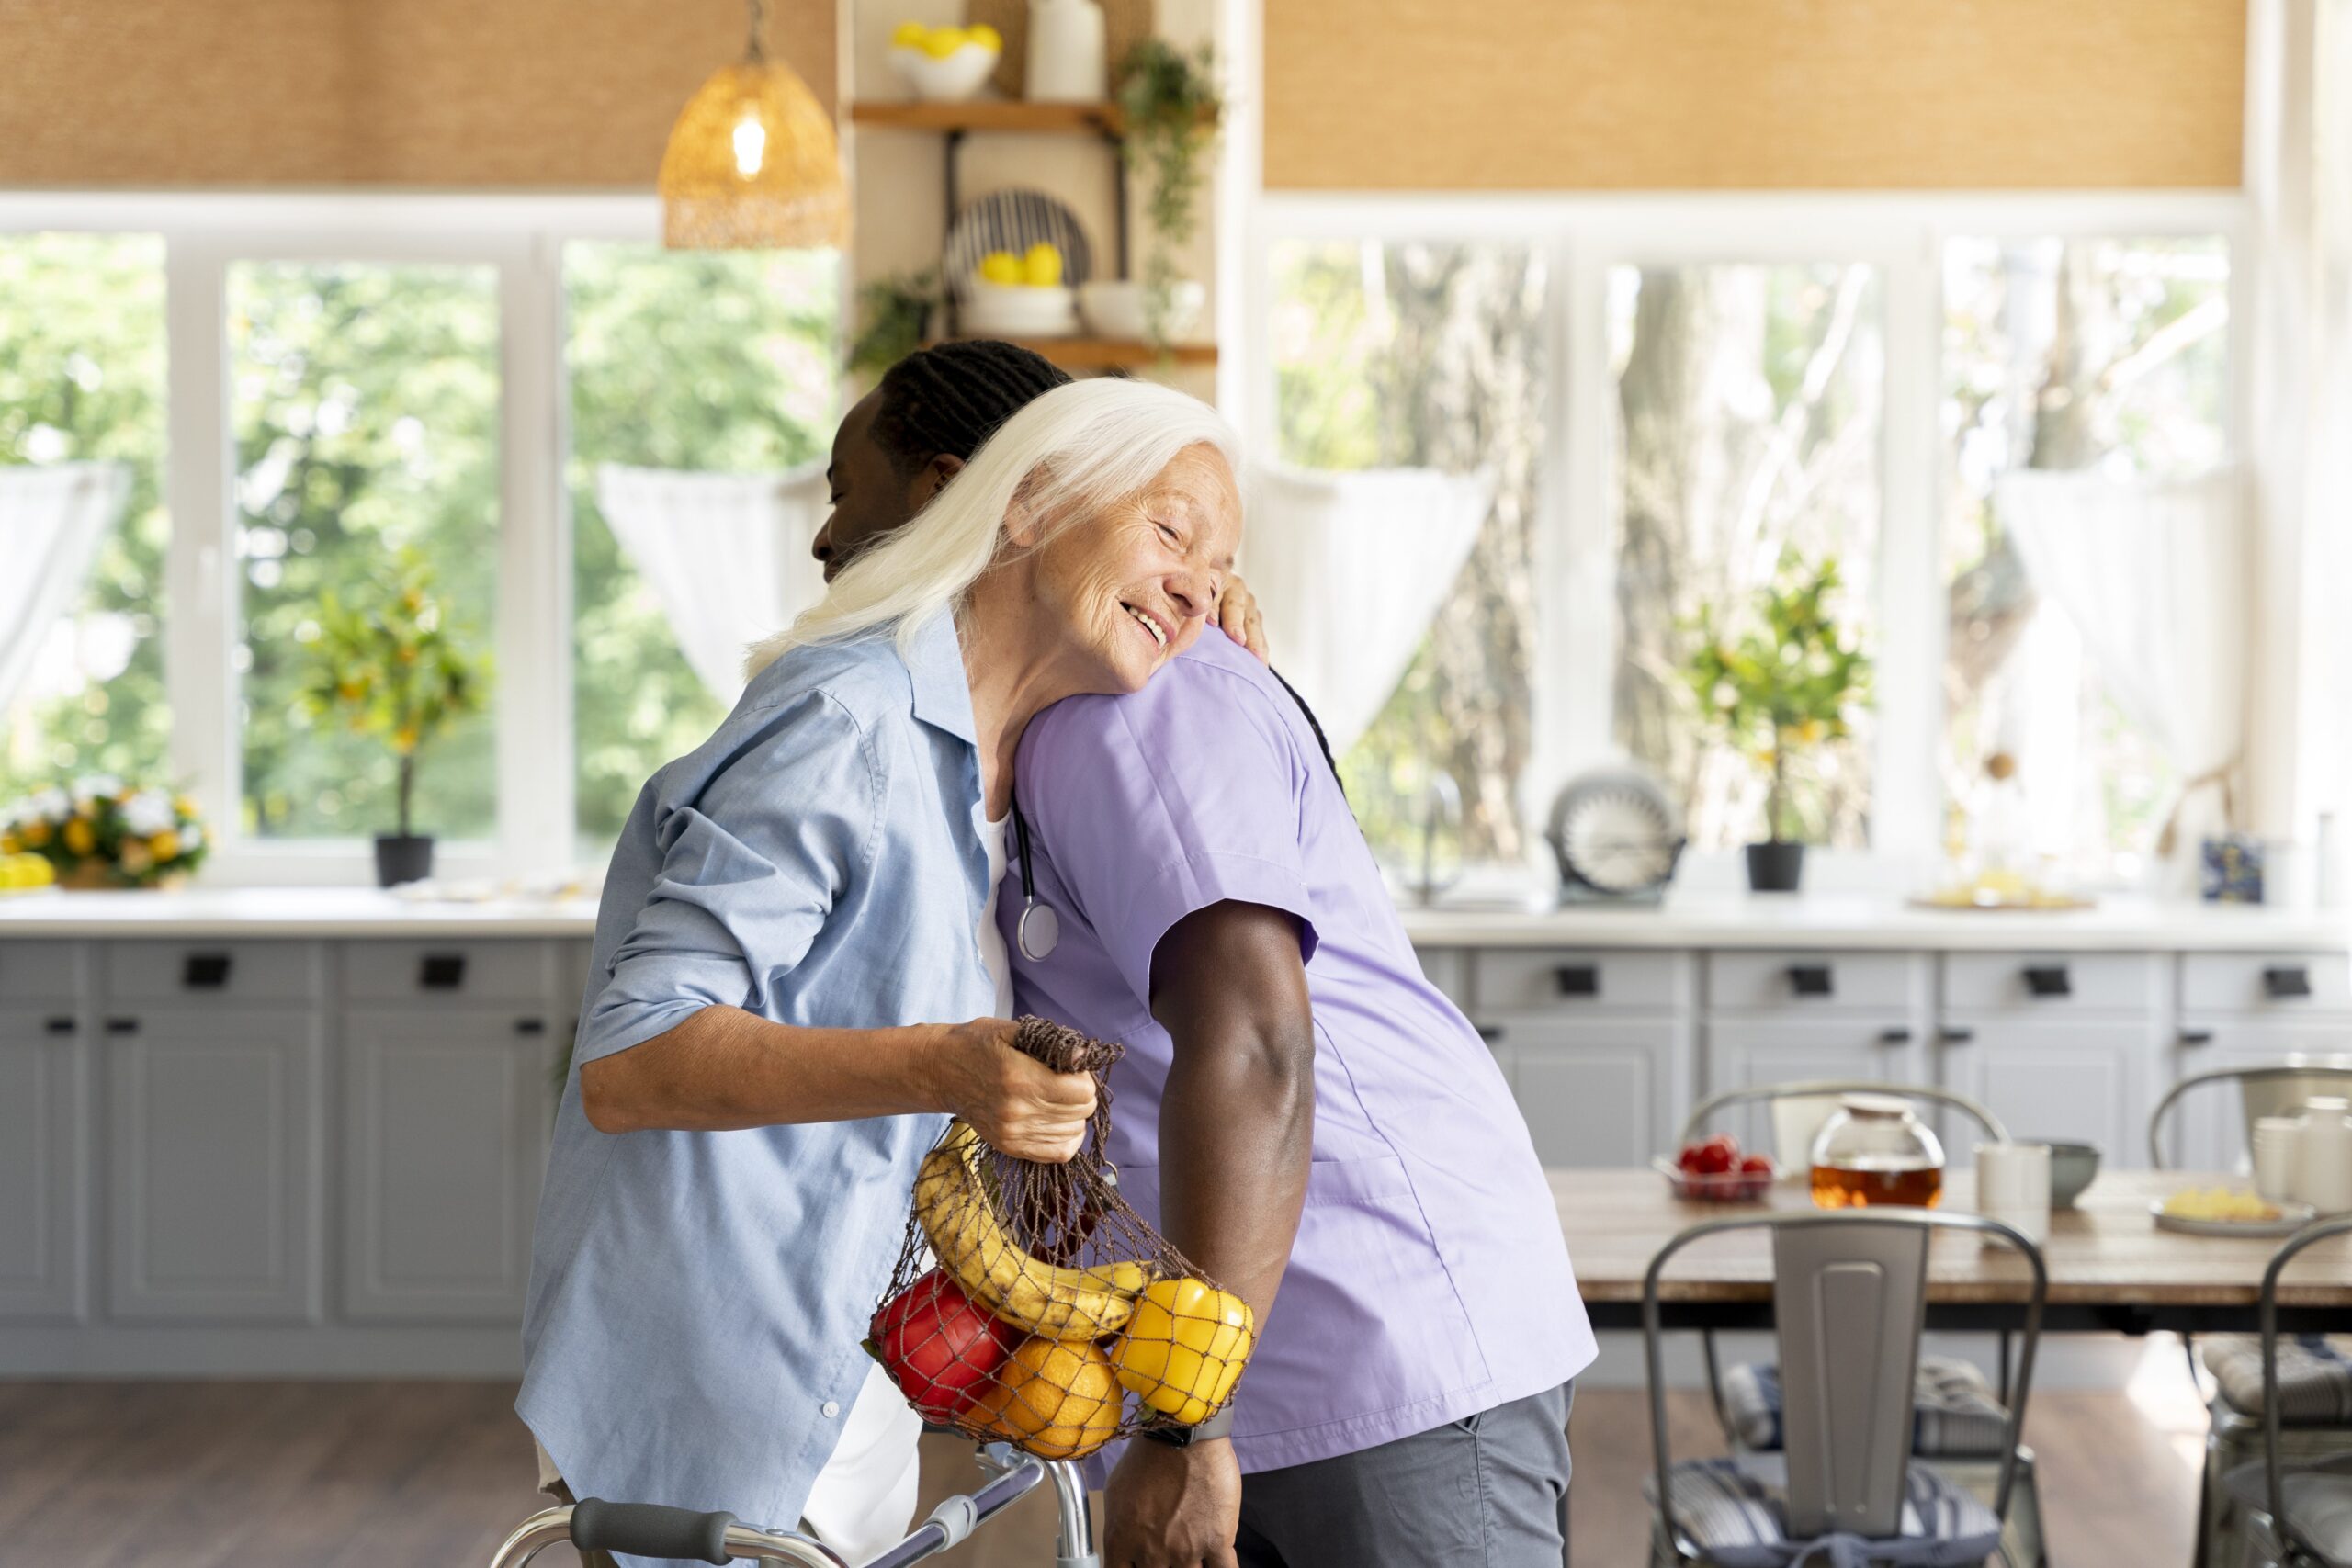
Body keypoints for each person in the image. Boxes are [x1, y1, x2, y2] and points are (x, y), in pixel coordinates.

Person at [517, 373, 1243, 1566]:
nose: (1198, 589)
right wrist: (945, 1065)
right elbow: (633, 1056)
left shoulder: (1010, 766)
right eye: (1172, 532)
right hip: (711, 1385)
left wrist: (1192, 603)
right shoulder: (848, 719)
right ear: (1025, 504)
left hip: (835, 1374)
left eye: (1218, 571)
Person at [1005, 616, 1596, 1568]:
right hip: (1256, 1354)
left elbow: (1256, 1048)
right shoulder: (1037, 702)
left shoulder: (1136, 701)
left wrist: (1185, 1424)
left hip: (1365, 1334)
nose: (829, 543)